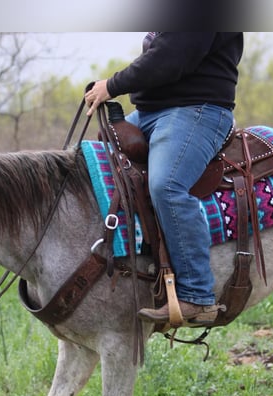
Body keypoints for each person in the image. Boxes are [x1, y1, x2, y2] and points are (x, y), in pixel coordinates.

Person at [84, 32, 243, 325]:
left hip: (198, 109)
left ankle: (197, 295)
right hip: (150, 113)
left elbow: (170, 60)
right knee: (91, 163)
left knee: (167, 185)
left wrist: (112, 85)